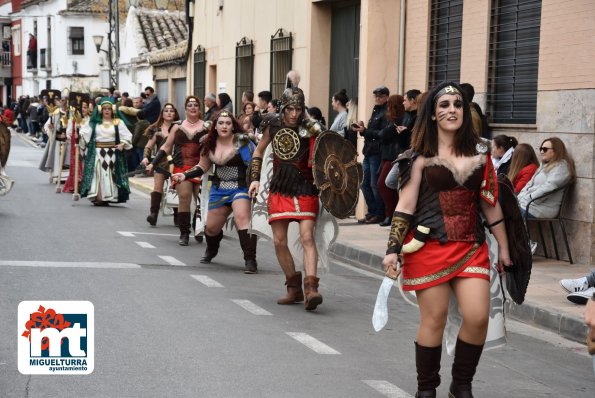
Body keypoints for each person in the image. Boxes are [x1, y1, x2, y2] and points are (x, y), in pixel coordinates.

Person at [382, 81, 511, 398]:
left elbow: (489, 203)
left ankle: (461, 384)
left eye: (457, 104)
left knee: (479, 316)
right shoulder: (418, 157)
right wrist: (392, 251)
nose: (452, 109)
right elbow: (406, 205)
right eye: (444, 105)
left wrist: (504, 248)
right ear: (432, 114)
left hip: (471, 247)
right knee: (434, 318)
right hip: (428, 247)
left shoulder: (481, 153)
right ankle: (427, 390)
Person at [248, 72, 324, 311]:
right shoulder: (273, 125)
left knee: (307, 237)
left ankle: (311, 288)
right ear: (283, 108)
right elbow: (259, 151)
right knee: (279, 241)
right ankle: (294, 288)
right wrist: (255, 179)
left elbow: (328, 151)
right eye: (290, 109)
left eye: (298, 109)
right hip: (280, 188)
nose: (294, 114)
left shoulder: (311, 129)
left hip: (305, 187)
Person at [173, 111, 258, 274]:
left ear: (233, 126)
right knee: (211, 228)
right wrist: (184, 175)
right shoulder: (208, 143)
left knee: (242, 218)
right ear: (215, 126)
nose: (224, 126)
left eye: (228, 123)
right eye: (221, 123)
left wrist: (255, 182)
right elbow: (202, 166)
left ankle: (250, 259)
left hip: (240, 187)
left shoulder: (243, 142)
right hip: (218, 190)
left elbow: (255, 164)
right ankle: (212, 249)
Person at [147, 96, 209, 246]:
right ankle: (184, 233)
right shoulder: (176, 126)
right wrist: (153, 163)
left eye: (195, 105)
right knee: (184, 197)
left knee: (200, 201)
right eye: (190, 105)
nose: (193, 107)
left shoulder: (208, 126)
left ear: (199, 108)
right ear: (185, 108)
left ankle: (197, 226)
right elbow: (166, 147)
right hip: (181, 168)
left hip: (202, 167)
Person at [79, 97, 132, 205]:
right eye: (104, 108)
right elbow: (85, 134)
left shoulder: (118, 122)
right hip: (97, 152)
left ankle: (109, 196)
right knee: (98, 172)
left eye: (109, 108)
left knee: (110, 174)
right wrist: (79, 135)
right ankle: (99, 197)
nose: (107, 110)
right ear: (100, 110)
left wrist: (123, 144)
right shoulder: (94, 123)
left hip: (113, 153)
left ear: (112, 109)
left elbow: (127, 135)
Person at [352, 86, 389, 224]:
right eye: (375, 96)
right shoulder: (376, 110)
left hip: (377, 152)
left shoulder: (386, 112)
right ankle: (372, 211)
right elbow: (371, 132)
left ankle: (379, 213)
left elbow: (381, 134)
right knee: (364, 184)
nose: (377, 98)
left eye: (380, 96)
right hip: (368, 151)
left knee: (375, 184)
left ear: (386, 97)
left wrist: (365, 130)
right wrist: (362, 129)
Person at [141, 103, 180, 226]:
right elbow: (149, 146)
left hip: (176, 162)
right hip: (159, 163)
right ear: (162, 114)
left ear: (175, 114)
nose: (169, 113)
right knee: (157, 187)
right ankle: (153, 214)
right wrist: (146, 158)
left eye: (171, 111)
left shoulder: (179, 129)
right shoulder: (156, 130)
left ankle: (178, 216)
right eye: (166, 110)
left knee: (175, 189)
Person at [517, 137, 576, 219]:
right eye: (541, 149)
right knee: (501, 209)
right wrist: (520, 198)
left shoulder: (561, 167)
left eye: (545, 149)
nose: (541, 152)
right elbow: (530, 183)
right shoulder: (544, 165)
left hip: (541, 209)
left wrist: (529, 198)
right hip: (529, 204)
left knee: (503, 212)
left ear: (556, 150)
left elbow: (549, 187)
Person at [375, 94, 407, 226]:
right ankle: (391, 214)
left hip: (394, 156)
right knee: (384, 185)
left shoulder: (399, 120)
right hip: (386, 155)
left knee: (383, 184)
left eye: (390, 105)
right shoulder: (390, 119)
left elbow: (383, 134)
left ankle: (391, 214)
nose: (387, 107)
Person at [62, 98, 91, 194]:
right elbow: (68, 133)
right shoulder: (73, 119)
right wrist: (70, 136)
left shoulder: (90, 120)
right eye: (82, 107)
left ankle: (87, 185)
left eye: (86, 107)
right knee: (77, 166)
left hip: (88, 146)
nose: (84, 109)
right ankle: (76, 184)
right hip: (76, 147)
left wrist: (82, 136)